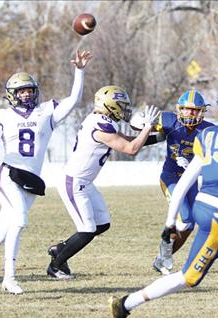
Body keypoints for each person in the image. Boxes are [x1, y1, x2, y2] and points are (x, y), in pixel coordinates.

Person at [109, 88, 218, 318]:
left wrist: (169, 222)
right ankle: (126, 304)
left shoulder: (208, 134)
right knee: (188, 278)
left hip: (207, 207)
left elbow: (186, 181)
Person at [0, 50, 93, 294]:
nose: (26, 94)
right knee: (20, 220)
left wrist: (79, 70)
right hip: (8, 176)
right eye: (21, 91)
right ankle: (9, 278)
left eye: (30, 90)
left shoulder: (46, 112)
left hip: (31, 181)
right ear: (11, 95)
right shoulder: (0, 115)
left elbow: (73, 100)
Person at [45, 86, 160, 279]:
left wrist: (160, 137)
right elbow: (131, 148)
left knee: (102, 224)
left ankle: (60, 249)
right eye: (121, 105)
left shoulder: (102, 121)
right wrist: (147, 127)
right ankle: (55, 267)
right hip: (74, 182)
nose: (124, 109)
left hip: (85, 182)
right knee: (87, 230)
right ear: (110, 105)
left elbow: (129, 140)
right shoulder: (100, 124)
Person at [145, 89, 215, 275]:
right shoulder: (169, 121)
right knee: (184, 220)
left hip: (190, 179)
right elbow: (141, 128)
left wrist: (193, 164)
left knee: (190, 225)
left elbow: (213, 162)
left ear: (201, 111)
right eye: (186, 109)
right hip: (171, 176)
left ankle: (162, 259)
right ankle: (163, 257)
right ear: (179, 109)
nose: (190, 113)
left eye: (194, 110)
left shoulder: (208, 130)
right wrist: (143, 124)